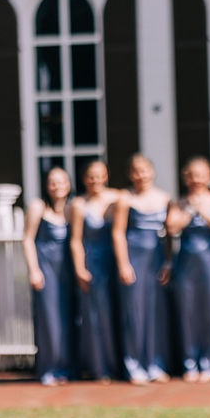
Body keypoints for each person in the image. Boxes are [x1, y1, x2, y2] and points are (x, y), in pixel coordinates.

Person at [165, 157, 210, 383]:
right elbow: (171, 228)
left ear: (208, 176)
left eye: (200, 174)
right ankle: (190, 361)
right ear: (186, 178)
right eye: (192, 175)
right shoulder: (179, 202)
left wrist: (206, 211)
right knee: (188, 311)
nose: (196, 179)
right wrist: (189, 210)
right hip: (186, 261)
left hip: (209, 260)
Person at [112, 154, 172, 385]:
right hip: (134, 261)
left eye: (145, 170)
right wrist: (123, 264)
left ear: (152, 172)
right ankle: (134, 366)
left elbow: (168, 235)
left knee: (156, 314)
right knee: (134, 313)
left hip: (156, 261)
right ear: (130, 174)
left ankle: (156, 365)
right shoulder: (125, 199)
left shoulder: (165, 198)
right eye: (136, 171)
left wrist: (168, 262)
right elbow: (118, 232)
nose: (141, 175)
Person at [69, 161, 120, 382]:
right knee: (97, 316)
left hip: (116, 261)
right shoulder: (79, 205)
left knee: (120, 313)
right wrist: (80, 268)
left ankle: (122, 365)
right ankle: (101, 368)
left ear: (107, 175)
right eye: (90, 176)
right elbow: (76, 240)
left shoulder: (118, 198)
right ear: (84, 179)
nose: (95, 180)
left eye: (99, 175)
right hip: (93, 263)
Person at [22, 166, 73, 386]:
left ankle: (68, 368)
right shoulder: (38, 207)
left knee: (69, 319)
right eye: (53, 182)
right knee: (50, 320)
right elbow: (27, 239)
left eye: (62, 181)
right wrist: (34, 270)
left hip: (68, 272)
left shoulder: (73, 209)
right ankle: (50, 369)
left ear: (69, 184)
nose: (58, 186)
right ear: (46, 185)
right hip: (47, 271)